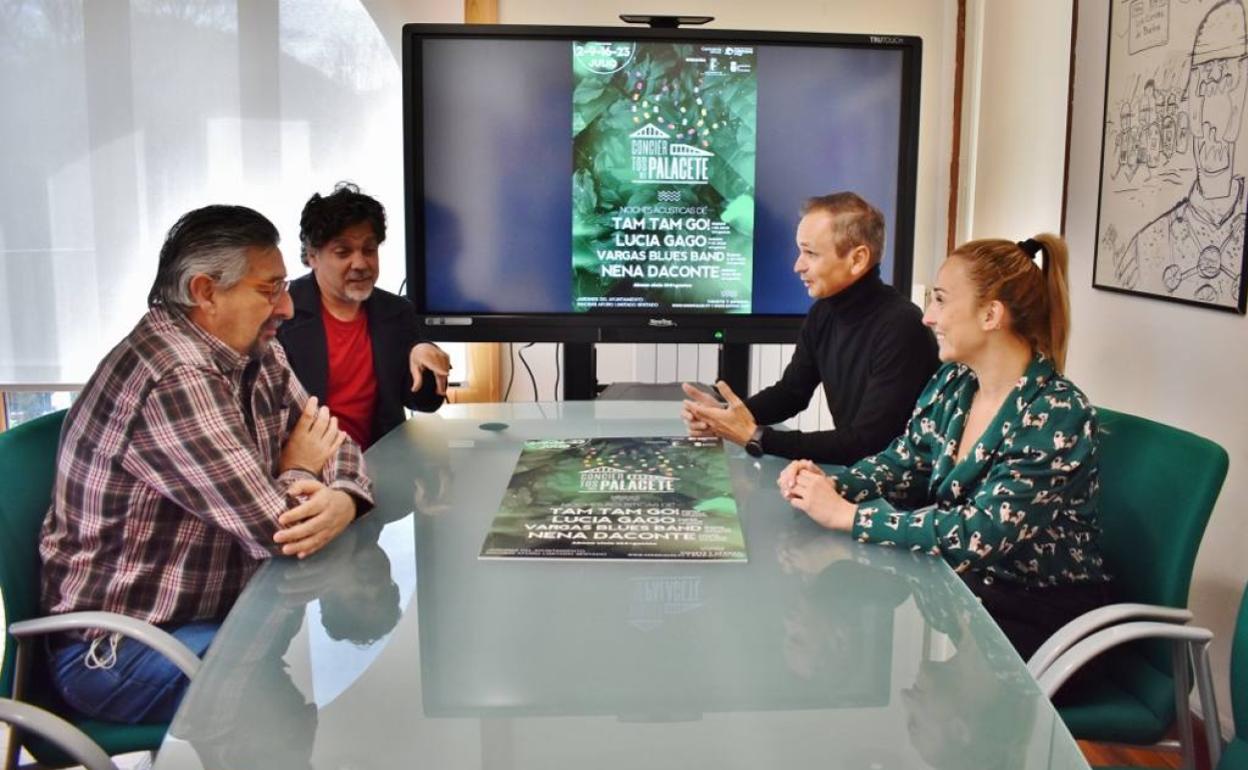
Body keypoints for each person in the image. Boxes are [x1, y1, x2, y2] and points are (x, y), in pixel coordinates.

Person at [39, 204, 373, 723]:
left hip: (217, 617)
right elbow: (277, 529)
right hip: (121, 650)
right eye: (269, 290)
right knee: (327, 697)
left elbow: (337, 443)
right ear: (205, 292)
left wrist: (343, 499)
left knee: (329, 677)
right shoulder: (172, 373)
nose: (287, 306)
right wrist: (304, 473)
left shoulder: (257, 350)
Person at [779, 233, 1114, 658]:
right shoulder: (954, 384)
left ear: (991, 314)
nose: (927, 317)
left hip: (1043, 620)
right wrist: (828, 483)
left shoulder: (1059, 412)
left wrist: (849, 516)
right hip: (967, 597)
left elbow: (979, 534)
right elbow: (901, 464)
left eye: (939, 300)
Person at [681, 192, 938, 464]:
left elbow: (867, 443)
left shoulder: (902, 326)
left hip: (895, 499)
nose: (797, 266)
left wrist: (756, 436)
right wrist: (726, 414)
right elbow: (791, 393)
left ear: (857, 259)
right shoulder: (823, 312)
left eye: (810, 253)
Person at [279, 183, 448, 449]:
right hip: (308, 468)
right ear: (312, 256)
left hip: (381, 464)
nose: (360, 263)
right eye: (343, 252)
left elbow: (422, 402)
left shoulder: (396, 311)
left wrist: (426, 357)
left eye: (369, 250)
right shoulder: (282, 312)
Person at [1113, 0, 1247, 306]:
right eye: (1203, 87)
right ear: (1187, 110)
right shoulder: (1147, 246)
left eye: (1228, 82)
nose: (1212, 118)